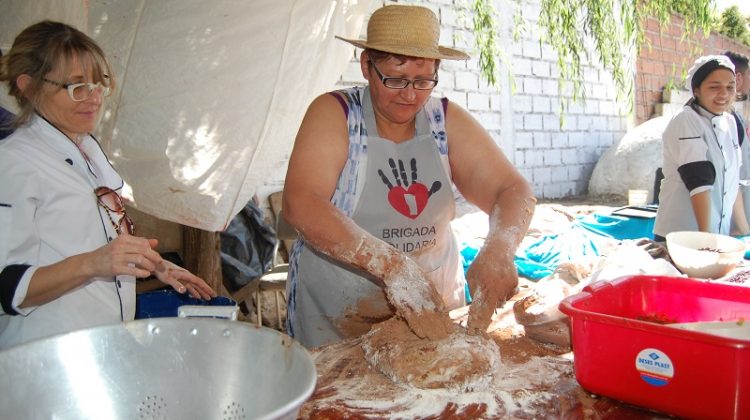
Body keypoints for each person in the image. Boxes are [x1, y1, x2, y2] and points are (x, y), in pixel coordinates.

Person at [283, 5, 535, 348]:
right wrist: (390, 265)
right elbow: (301, 203)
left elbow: (512, 189)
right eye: (396, 79)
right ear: (367, 66)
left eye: (422, 80)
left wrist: (501, 247)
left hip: (431, 308)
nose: (410, 94)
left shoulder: (445, 120)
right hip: (337, 315)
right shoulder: (334, 114)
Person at [0, 21, 216, 349]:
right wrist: (94, 263)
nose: (94, 99)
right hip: (45, 353)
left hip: (100, 342)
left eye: (98, 85)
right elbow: (7, 285)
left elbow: (88, 236)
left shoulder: (85, 148)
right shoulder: (14, 162)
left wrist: (154, 263)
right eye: (75, 87)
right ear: (29, 87)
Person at [654, 54, 750, 241]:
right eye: (714, 87)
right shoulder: (687, 119)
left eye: (730, 87)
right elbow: (699, 182)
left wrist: (744, 231)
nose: (724, 94)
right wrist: (706, 240)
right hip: (682, 238)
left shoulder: (730, 122)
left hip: (716, 237)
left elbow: (732, 182)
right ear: (696, 90)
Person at [724, 51, 750, 228]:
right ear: (739, 78)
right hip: (733, 216)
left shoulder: (735, 117)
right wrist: (743, 228)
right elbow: (731, 176)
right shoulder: (725, 120)